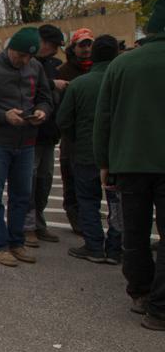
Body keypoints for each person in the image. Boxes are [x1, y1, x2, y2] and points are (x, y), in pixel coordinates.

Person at [93, 0, 165, 331]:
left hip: (130, 161)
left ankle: (139, 292)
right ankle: (160, 306)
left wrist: (104, 161)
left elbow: (103, 118)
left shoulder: (123, 65)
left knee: (134, 231)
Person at [0, 27, 54, 267]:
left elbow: (46, 97)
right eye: (21, 55)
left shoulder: (35, 67)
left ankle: (17, 242)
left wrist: (42, 111)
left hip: (26, 142)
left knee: (22, 196)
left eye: (29, 57)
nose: (24, 61)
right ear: (10, 48)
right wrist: (4, 116)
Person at [57, 34, 121, 264]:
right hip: (118, 154)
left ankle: (94, 245)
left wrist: (75, 139)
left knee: (87, 200)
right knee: (116, 202)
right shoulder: (122, 80)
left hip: (85, 152)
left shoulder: (80, 84)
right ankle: (115, 248)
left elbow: (63, 120)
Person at [23, 24, 66, 247]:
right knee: (27, 182)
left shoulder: (51, 65)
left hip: (48, 133)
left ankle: (39, 222)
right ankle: (27, 226)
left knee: (44, 181)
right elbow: (25, 88)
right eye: (53, 45)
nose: (55, 51)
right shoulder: (26, 62)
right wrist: (52, 84)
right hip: (30, 133)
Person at [57, 28, 95, 235]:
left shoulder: (99, 69)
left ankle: (90, 218)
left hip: (95, 135)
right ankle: (75, 215)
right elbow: (61, 112)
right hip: (72, 137)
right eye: (82, 44)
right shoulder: (64, 72)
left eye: (89, 44)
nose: (87, 48)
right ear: (74, 47)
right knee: (71, 179)